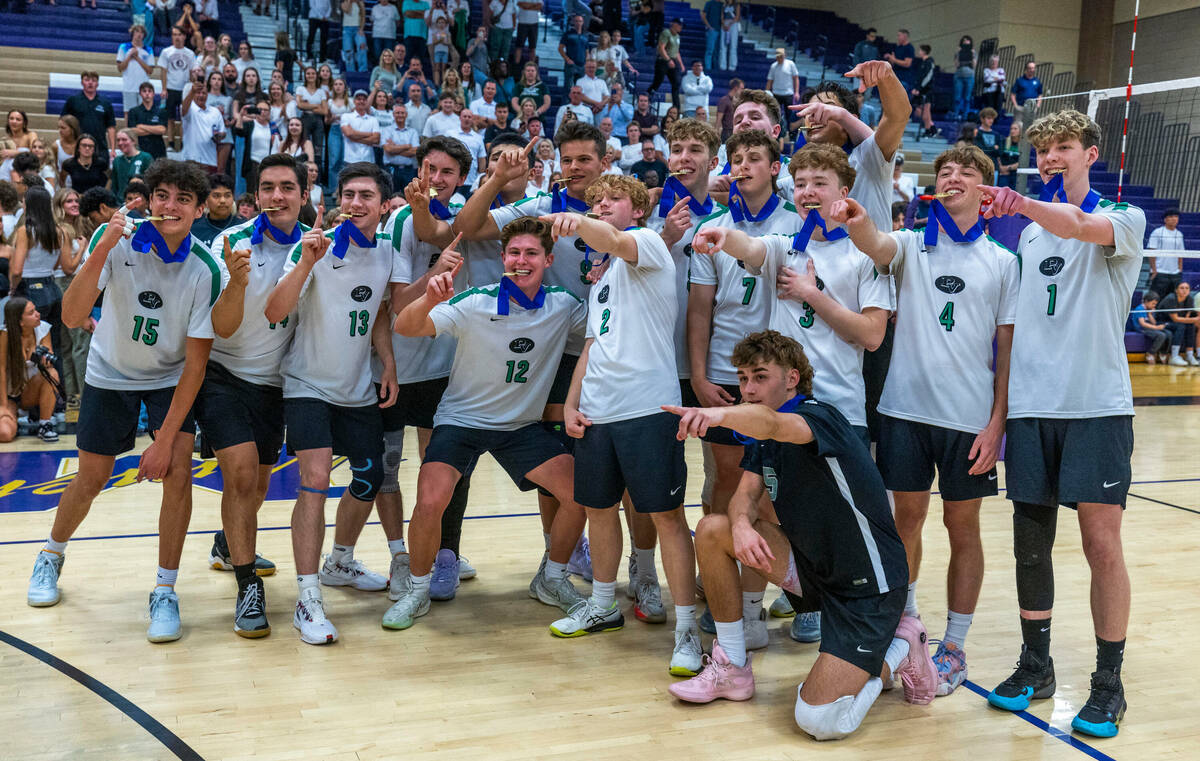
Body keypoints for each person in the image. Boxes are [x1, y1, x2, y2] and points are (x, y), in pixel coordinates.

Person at [661, 330, 937, 739]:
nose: (748, 389)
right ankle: (733, 667)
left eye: (760, 377)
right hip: (815, 571)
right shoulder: (761, 440)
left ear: (792, 378)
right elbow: (744, 497)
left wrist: (719, 415)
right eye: (742, 379)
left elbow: (771, 422)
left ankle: (899, 649)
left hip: (869, 591)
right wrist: (740, 525)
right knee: (714, 528)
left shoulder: (818, 416)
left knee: (818, 721)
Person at [980, 109, 1146, 738]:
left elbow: (1077, 224)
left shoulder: (1123, 220)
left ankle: (1109, 683)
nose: (1051, 156)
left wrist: (1020, 200)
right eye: (1043, 149)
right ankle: (1036, 664)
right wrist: (1000, 416)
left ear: (1090, 153)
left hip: (1096, 407)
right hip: (1030, 409)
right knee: (1030, 545)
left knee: (1101, 545)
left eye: (1063, 147)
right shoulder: (1027, 237)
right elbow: (1016, 333)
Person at [832, 144, 1018, 697]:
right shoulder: (912, 245)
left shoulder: (1005, 263)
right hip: (903, 412)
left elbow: (1005, 351)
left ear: (986, 190)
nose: (952, 175)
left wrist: (997, 423)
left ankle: (955, 644)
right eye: (944, 170)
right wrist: (860, 220)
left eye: (965, 170)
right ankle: (906, 624)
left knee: (963, 528)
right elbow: (875, 243)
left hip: (968, 420)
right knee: (902, 521)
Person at [24, 160, 221, 646]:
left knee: (176, 471)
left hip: (168, 378)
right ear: (147, 200)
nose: (169, 206)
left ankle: (165, 589)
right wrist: (103, 247)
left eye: (181, 199)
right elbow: (71, 316)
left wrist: (166, 439)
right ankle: (50, 555)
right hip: (109, 374)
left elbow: (195, 367)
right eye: (161, 196)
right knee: (91, 477)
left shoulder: (204, 267)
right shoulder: (115, 240)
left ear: (198, 210)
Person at [384, 216, 589, 628]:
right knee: (431, 499)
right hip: (461, 421)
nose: (522, 259)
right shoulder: (474, 302)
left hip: (521, 426)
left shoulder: (564, 306)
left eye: (531, 252)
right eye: (514, 252)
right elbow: (403, 326)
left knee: (580, 494)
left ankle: (551, 578)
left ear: (548, 259)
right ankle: (418, 590)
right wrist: (428, 299)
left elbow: (602, 335)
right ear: (502, 258)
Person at [538, 173, 700, 678]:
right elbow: (593, 345)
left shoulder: (648, 244)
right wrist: (570, 402)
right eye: (595, 200)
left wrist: (581, 221)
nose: (602, 205)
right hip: (598, 413)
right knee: (600, 510)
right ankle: (605, 604)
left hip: (648, 410)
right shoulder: (604, 275)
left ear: (635, 208)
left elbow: (608, 237)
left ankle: (688, 628)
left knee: (667, 517)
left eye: (612, 199)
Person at [265, 162, 407, 644]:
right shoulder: (314, 246)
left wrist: (386, 362)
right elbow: (274, 310)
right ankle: (307, 599)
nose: (355, 203)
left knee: (369, 479)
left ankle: (339, 561)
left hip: (357, 389)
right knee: (316, 479)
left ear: (384, 206)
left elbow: (382, 312)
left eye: (367, 195)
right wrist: (305, 261)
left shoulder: (389, 251)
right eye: (349, 194)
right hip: (306, 383)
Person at [197, 155, 312, 638]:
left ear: (304, 196)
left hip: (276, 385)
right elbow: (220, 325)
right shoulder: (232, 241)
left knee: (258, 487)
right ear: (256, 195)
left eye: (288, 187)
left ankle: (227, 543)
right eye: (268, 187)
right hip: (222, 375)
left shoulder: (317, 246)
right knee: (241, 477)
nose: (277, 196)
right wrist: (238, 284)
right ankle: (248, 586)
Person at [9, 185, 71, 358]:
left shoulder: (25, 231)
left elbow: (16, 270)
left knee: (31, 347)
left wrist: (13, 289)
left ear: (29, 204)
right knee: (54, 347)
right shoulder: (59, 231)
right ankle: (56, 383)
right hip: (52, 288)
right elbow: (59, 263)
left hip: (28, 289)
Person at [0, 296, 62, 442]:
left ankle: (44, 424)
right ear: (20, 322)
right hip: (10, 395)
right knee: (5, 434)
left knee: (52, 373)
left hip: (30, 391)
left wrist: (46, 361)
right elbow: (1, 369)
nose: (38, 314)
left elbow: (50, 358)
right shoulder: (5, 334)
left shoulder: (43, 328)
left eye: (35, 310)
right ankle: (12, 416)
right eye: (31, 312)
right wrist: (3, 406)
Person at [61, 71, 118, 162]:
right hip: (78, 146)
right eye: (87, 80)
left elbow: (111, 127)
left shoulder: (105, 102)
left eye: (94, 80)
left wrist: (113, 149)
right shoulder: (73, 100)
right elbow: (63, 123)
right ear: (82, 83)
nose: (90, 83)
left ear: (97, 84)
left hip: (100, 148)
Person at [158, 28, 198, 151]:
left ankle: (181, 143)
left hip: (185, 89)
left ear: (184, 36)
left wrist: (193, 87)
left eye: (179, 34)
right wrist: (164, 88)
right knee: (170, 117)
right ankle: (170, 142)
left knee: (183, 118)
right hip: (170, 87)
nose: (177, 37)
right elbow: (163, 71)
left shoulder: (190, 53)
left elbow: (192, 72)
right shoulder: (166, 52)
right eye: (174, 34)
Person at [180, 70, 227, 172]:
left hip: (210, 161)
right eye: (198, 93)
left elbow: (222, 132)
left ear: (208, 95)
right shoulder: (190, 108)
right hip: (191, 160)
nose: (201, 95)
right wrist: (192, 91)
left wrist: (220, 135)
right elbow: (183, 110)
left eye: (204, 93)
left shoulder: (215, 111)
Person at [190, 174, 244, 246]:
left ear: (233, 198)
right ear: (206, 200)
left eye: (227, 195)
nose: (222, 200)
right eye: (216, 196)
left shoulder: (243, 227)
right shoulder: (194, 232)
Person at [118, 24, 161, 113]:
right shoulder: (123, 47)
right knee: (128, 113)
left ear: (144, 36)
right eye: (137, 31)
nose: (139, 34)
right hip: (129, 86)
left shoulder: (148, 50)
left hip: (144, 87)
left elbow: (150, 70)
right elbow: (120, 68)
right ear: (132, 33)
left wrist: (137, 58)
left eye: (141, 32)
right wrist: (129, 56)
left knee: (144, 112)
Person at [1157, 281, 1199, 367]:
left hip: (1177, 322)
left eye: (1187, 288)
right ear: (1176, 290)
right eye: (1182, 288)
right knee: (1181, 326)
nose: (1184, 290)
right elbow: (1175, 319)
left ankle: (1189, 355)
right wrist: (1195, 319)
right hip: (1161, 322)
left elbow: (1187, 316)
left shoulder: (1189, 299)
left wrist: (1192, 320)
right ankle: (1174, 356)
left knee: (1190, 325)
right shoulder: (1171, 299)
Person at [1148, 208, 1185, 299]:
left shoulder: (1179, 234)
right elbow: (1151, 252)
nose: (1174, 219)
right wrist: (1154, 270)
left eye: (1176, 216)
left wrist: (1179, 269)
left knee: (1173, 300)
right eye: (1171, 216)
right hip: (1160, 272)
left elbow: (1181, 254)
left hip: (1175, 274)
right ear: (1165, 219)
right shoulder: (1157, 232)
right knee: (1156, 299)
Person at [381, 104, 420, 190]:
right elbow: (388, 149)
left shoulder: (412, 132)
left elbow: (415, 151)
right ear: (393, 115)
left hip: (408, 171)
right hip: (391, 170)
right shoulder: (386, 130)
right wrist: (407, 146)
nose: (400, 115)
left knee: (408, 198)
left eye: (402, 113)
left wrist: (394, 147)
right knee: (391, 196)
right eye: (397, 113)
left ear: (406, 114)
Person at [650, 18, 685, 112]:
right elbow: (661, 48)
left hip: (673, 60)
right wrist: (668, 60)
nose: (680, 27)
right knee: (658, 81)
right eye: (678, 24)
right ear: (673, 24)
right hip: (663, 60)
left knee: (676, 84)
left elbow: (677, 52)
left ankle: (676, 108)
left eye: (681, 25)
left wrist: (681, 64)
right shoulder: (666, 33)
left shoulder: (677, 36)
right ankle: (647, 98)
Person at [127, 82, 169, 160]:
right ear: (140, 94)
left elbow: (162, 130)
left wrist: (141, 126)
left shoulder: (161, 111)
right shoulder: (133, 111)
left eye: (149, 91)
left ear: (153, 94)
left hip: (158, 151)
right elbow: (133, 131)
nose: (147, 94)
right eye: (144, 91)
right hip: (140, 150)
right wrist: (154, 130)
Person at [341, 89, 382, 164]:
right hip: (350, 160)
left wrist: (354, 136)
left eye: (364, 99)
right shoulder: (346, 116)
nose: (361, 101)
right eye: (358, 99)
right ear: (354, 101)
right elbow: (349, 133)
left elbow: (376, 140)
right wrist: (369, 134)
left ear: (367, 102)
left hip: (368, 160)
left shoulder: (373, 119)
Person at [110, 130, 154, 200]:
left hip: (138, 201)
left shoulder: (145, 157)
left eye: (124, 140)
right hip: (120, 202)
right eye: (118, 140)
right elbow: (114, 186)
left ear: (133, 141)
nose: (120, 143)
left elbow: (150, 183)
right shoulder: (117, 160)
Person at [1131, 290, 1169, 364]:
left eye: (1155, 304)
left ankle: (1163, 352)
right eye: (1153, 303)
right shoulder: (1140, 309)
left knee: (1168, 333)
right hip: (1141, 329)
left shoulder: (1149, 309)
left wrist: (1150, 314)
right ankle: (1151, 353)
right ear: (1146, 301)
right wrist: (1157, 328)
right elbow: (1143, 324)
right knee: (1161, 335)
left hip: (1148, 327)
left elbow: (1154, 323)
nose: (1154, 306)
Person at [909, 45, 937, 139]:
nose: (919, 52)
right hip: (921, 90)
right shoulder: (923, 62)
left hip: (926, 91)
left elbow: (928, 77)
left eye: (920, 50)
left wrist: (919, 89)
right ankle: (932, 127)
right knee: (918, 111)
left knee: (925, 111)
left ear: (924, 51)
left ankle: (928, 130)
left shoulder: (929, 62)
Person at [766, 48, 800, 115]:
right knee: (775, 114)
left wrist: (796, 92)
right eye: (778, 57)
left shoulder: (791, 64)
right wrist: (767, 92)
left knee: (788, 115)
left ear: (785, 56)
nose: (779, 58)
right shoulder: (773, 66)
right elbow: (770, 80)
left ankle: (788, 125)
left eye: (781, 56)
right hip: (776, 93)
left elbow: (796, 78)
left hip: (788, 94)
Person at [1009, 61, 1043, 127]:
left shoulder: (1037, 81)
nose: (1031, 70)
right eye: (1030, 68)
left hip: (1032, 109)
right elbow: (1013, 94)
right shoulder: (1019, 80)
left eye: (1033, 68)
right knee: (1017, 126)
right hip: (1020, 107)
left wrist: (1038, 105)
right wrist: (1016, 106)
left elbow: (1040, 94)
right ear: (1026, 69)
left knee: (1029, 126)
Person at [953, 36, 976, 119]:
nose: (966, 42)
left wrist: (972, 54)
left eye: (967, 41)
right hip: (959, 76)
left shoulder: (973, 52)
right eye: (964, 41)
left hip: (969, 76)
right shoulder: (959, 52)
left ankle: (965, 116)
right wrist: (958, 53)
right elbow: (956, 65)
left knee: (967, 98)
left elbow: (974, 66)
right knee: (957, 98)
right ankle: (956, 115)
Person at [997, 121, 1022, 189]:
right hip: (1003, 173)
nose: (1012, 131)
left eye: (1015, 129)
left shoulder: (1024, 145)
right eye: (1011, 129)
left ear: (1021, 131)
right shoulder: (1004, 141)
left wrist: (1008, 168)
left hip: (1016, 174)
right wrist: (1001, 168)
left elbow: (1022, 162)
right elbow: (998, 156)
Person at [719, 0, 740, 71]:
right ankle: (722, 65)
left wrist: (730, 25)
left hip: (733, 24)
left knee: (733, 46)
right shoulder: (724, 5)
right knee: (723, 45)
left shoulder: (736, 5)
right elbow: (721, 16)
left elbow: (737, 16)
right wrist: (723, 24)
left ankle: (732, 66)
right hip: (724, 24)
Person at [702, 0, 722, 72]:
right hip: (712, 30)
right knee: (710, 50)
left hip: (720, 30)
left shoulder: (722, 5)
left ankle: (716, 68)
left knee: (717, 51)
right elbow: (703, 16)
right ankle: (708, 68)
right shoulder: (709, 3)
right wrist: (709, 27)